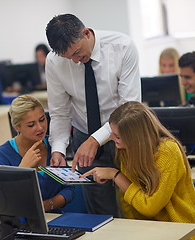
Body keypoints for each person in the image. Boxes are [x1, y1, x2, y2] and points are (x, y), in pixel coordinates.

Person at [45, 13, 141, 215]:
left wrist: (95, 139)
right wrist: (58, 149)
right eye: (68, 57)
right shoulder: (54, 62)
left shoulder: (122, 47)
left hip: (125, 135)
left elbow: (129, 108)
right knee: (100, 210)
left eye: (78, 52)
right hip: (84, 136)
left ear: (86, 33)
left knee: (135, 202)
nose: (76, 60)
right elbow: (60, 112)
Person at [81, 101, 195, 240]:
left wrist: (115, 175)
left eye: (117, 136)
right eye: (112, 133)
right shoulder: (127, 150)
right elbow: (128, 204)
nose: (111, 139)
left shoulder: (168, 151)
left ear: (136, 138)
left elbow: (150, 207)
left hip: (181, 232)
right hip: (144, 230)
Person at [0, 95, 75, 212]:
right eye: (31, 125)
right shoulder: (3, 154)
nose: (40, 127)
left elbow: (69, 188)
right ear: (17, 127)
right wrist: (22, 169)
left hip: (55, 218)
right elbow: (2, 198)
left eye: (42, 119)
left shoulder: (54, 146)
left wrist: (47, 205)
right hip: (20, 221)